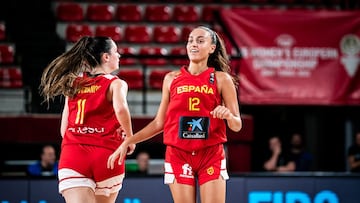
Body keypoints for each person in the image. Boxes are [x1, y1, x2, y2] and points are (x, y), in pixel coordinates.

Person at [107, 26, 242, 203]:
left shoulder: (221, 79)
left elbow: (237, 125)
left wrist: (228, 116)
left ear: (212, 48)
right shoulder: (171, 78)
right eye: (190, 40)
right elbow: (159, 123)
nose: (193, 44)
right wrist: (128, 141)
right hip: (178, 153)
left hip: (211, 153)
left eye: (200, 41)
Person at [39, 36, 136, 203]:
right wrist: (130, 137)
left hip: (75, 155)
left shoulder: (73, 84)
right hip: (107, 156)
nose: (119, 55)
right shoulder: (116, 83)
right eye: (116, 52)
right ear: (106, 57)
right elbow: (121, 109)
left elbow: (64, 130)